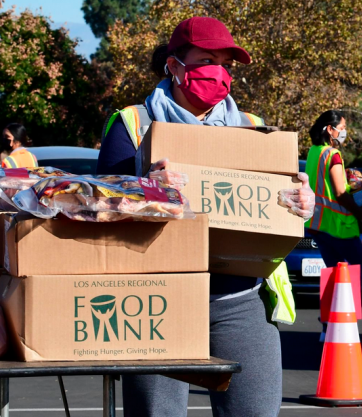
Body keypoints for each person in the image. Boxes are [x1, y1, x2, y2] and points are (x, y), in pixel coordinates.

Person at [97, 17, 314, 417]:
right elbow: (98, 211)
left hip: (239, 301)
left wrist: (301, 203)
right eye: (207, 59)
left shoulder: (253, 130)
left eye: (226, 63)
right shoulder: (132, 125)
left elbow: (276, 210)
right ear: (174, 66)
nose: (220, 73)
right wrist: (146, 190)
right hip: (156, 303)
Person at [304, 111, 362, 337]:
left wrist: (350, 182)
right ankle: (341, 317)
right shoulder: (333, 154)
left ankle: (328, 324)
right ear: (330, 129)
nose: (344, 132)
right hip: (339, 226)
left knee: (334, 273)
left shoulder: (314, 152)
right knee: (361, 271)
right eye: (342, 127)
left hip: (318, 225)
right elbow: (339, 193)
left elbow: (326, 186)